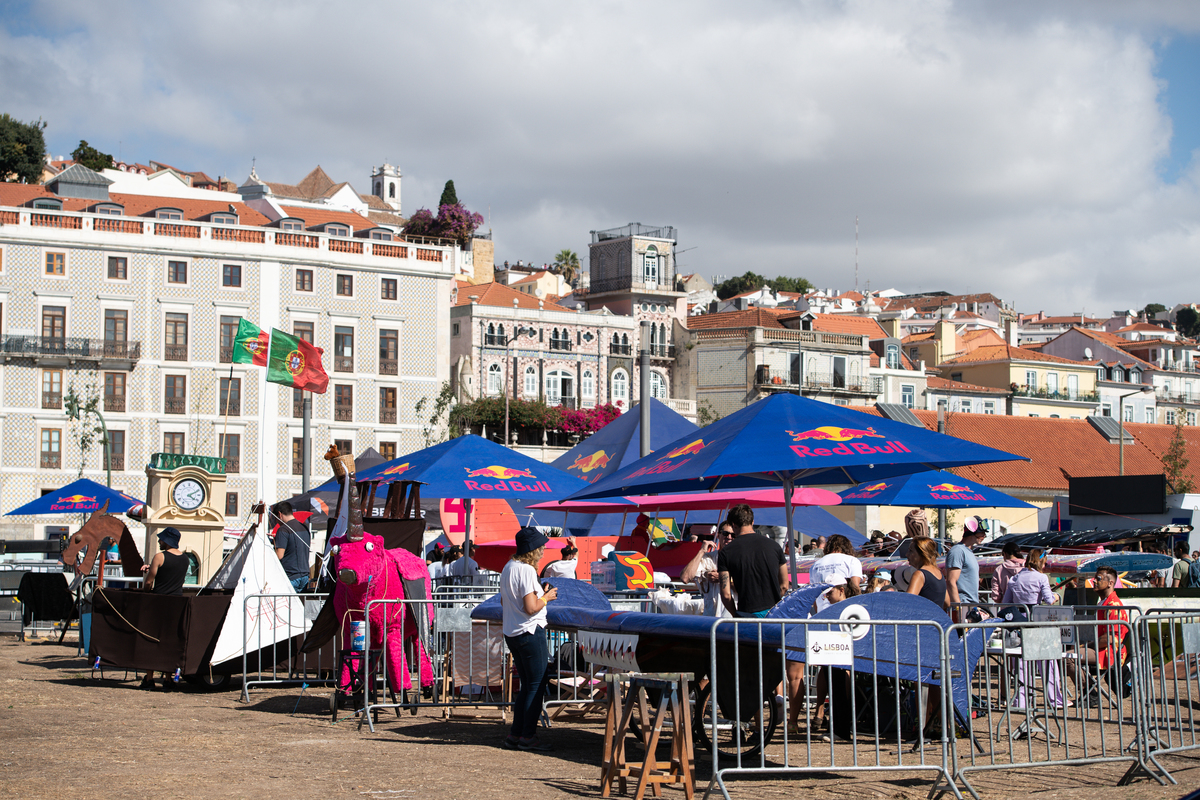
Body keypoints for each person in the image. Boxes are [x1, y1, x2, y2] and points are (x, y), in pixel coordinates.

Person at [500, 527, 558, 752]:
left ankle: (516, 734)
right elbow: (531, 607)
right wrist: (546, 597)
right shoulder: (525, 570)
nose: (543, 550)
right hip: (530, 631)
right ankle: (527, 736)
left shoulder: (508, 567)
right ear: (532, 550)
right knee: (536, 684)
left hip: (513, 631)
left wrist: (538, 595)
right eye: (541, 547)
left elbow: (508, 603)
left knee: (527, 685)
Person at [1066, 566, 1128, 695]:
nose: (1094, 581)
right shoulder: (1104, 603)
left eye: (1098, 578)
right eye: (1095, 578)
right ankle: (1089, 692)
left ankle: (1090, 694)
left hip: (1109, 652)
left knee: (1067, 657)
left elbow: (1109, 639)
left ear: (1110, 583)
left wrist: (1087, 645)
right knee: (1067, 655)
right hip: (1100, 649)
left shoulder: (1113, 606)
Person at [717, 505, 788, 618]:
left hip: (747, 615)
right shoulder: (774, 546)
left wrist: (735, 615)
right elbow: (784, 585)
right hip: (774, 615)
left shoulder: (726, 552)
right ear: (752, 521)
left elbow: (726, 595)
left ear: (733, 525)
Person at [140, 527, 188, 690]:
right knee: (170, 641)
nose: (159, 541)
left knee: (152, 639)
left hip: (159, 602)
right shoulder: (185, 559)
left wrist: (146, 591)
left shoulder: (159, 556)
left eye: (161, 539)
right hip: (176, 603)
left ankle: (149, 678)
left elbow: (149, 582)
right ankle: (168, 678)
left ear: (166, 540)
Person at [682, 521, 734, 617]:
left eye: (733, 535)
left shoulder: (741, 559)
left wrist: (722, 579)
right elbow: (685, 578)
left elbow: (748, 586)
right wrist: (702, 551)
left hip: (731, 619)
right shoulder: (708, 558)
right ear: (718, 535)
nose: (729, 537)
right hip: (710, 619)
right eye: (725, 533)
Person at [946, 517, 987, 620]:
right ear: (972, 531)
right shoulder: (958, 551)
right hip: (963, 606)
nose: (984, 536)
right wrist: (958, 607)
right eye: (982, 533)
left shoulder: (969, 552)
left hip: (970, 606)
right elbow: (951, 581)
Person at [809, 534, 864, 611]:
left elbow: (814, 594)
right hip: (845, 610)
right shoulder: (852, 561)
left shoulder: (815, 565)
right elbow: (855, 588)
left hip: (823, 611)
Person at [273, 502, 312, 593]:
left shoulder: (283, 529)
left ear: (279, 514)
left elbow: (279, 555)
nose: (276, 522)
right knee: (300, 606)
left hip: (290, 576)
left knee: (288, 606)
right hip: (305, 575)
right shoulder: (305, 528)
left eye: (275, 519)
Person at [905, 537, 948, 609]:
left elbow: (907, 602)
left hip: (923, 619)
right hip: (938, 618)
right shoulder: (939, 573)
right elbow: (947, 602)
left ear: (922, 554)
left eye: (911, 551)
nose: (907, 554)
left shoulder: (919, 574)